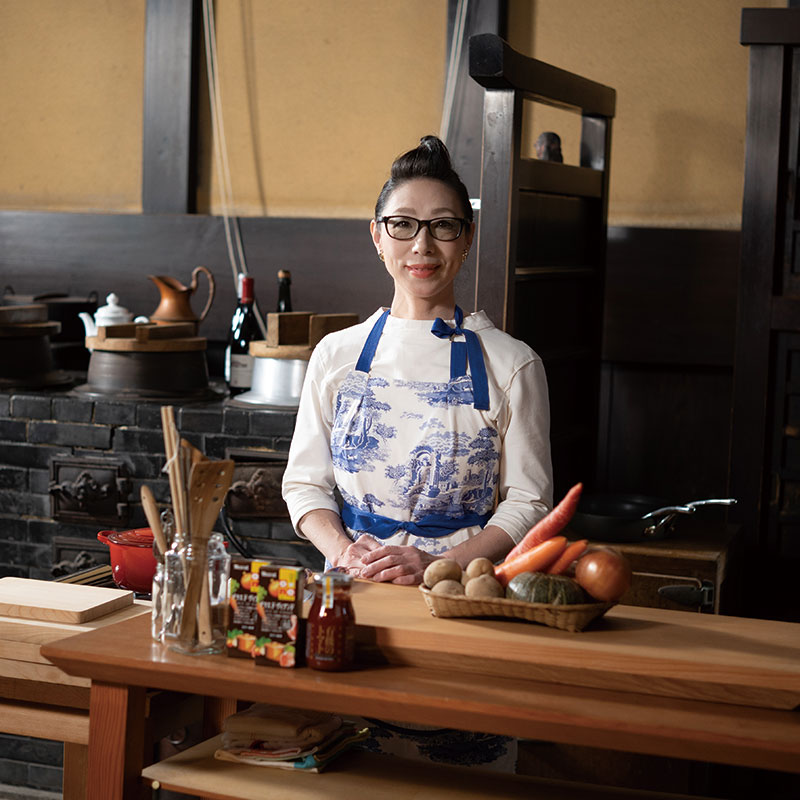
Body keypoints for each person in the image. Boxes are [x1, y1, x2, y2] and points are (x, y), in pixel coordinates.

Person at [281, 134, 553, 772]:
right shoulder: (336, 355)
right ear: (377, 235)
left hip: (462, 601)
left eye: (442, 228)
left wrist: (439, 564)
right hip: (351, 595)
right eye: (403, 226)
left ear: (468, 236)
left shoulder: (511, 363)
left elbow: (529, 502)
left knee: (455, 772)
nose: (422, 246)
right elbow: (304, 486)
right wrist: (346, 553)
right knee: (343, 767)